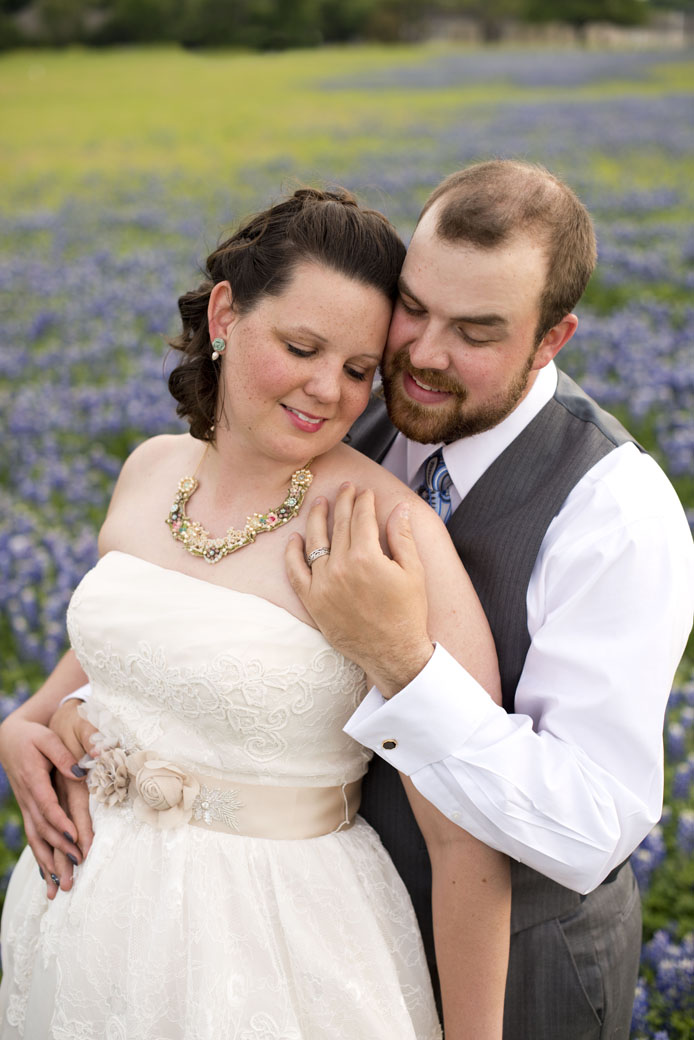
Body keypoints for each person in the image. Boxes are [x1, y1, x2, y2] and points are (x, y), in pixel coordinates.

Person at [0, 187, 510, 1040]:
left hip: (275, 943)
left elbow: (469, 836)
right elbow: (131, 658)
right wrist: (23, 725)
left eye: (357, 370)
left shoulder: (387, 533)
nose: (328, 392)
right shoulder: (152, 469)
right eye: (302, 347)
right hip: (83, 914)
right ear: (228, 313)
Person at [281, 161, 694, 1040]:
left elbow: (589, 825)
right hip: (330, 930)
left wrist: (404, 662)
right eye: (415, 307)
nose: (425, 353)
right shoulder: (350, 407)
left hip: (528, 967)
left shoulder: (615, 510)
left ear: (553, 339)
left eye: (476, 331)